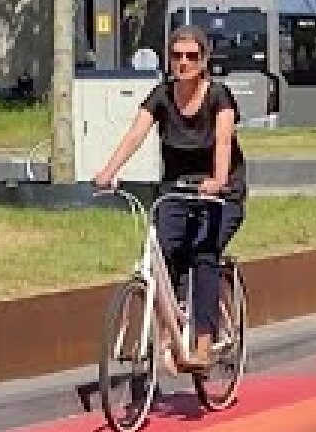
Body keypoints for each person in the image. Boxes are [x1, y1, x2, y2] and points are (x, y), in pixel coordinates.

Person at [92, 25, 247, 373]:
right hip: (177, 190)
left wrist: (219, 181)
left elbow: (223, 142)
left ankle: (205, 343)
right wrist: (108, 171)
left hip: (220, 193)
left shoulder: (219, 97)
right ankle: (166, 333)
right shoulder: (161, 96)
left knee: (203, 254)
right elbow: (135, 133)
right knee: (163, 250)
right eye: (177, 56)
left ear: (204, 60)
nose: (184, 63)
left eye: (192, 56)